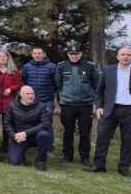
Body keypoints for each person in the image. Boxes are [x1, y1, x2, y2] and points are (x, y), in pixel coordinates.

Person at [87, 46, 131, 176]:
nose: (125, 57)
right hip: (109, 109)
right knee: (102, 138)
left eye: (128, 55)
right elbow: (99, 90)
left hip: (129, 110)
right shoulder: (108, 70)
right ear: (118, 56)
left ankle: (124, 168)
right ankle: (99, 166)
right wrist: (99, 106)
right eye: (123, 54)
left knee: (128, 141)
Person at [55, 43, 99, 165]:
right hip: (67, 104)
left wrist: (95, 103)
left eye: (76, 53)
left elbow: (96, 85)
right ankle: (67, 156)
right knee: (68, 131)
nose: (74, 56)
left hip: (85, 104)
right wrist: (62, 99)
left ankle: (85, 157)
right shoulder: (61, 66)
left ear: (80, 54)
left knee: (85, 131)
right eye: (71, 54)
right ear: (68, 54)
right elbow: (58, 84)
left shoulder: (90, 66)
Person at [4, 85, 54, 171]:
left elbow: (45, 124)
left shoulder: (41, 106)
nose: (31, 96)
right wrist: (14, 136)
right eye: (28, 94)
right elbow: (6, 123)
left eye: (32, 94)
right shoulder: (12, 106)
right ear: (21, 95)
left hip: (35, 136)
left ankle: (41, 160)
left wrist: (25, 133)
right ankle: (21, 156)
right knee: (14, 162)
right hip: (19, 138)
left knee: (44, 134)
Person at [0, 49, 23, 151]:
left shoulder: (14, 71)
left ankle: (6, 145)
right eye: (0, 56)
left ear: (8, 58)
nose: (2, 58)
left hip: (9, 102)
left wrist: (11, 89)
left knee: (7, 124)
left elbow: (19, 84)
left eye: (4, 56)